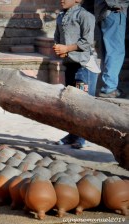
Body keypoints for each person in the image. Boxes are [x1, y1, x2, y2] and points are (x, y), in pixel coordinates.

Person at [53, 0, 101, 149]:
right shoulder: (61, 17)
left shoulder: (86, 16)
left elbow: (87, 42)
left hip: (84, 68)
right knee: (71, 102)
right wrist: (59, 49)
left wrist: (67, 48)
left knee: (82, 102)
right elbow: (57, 37)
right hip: (70, 66)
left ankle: (81, 138)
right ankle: (72, 134)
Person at [94, 0, 129, 98]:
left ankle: (108, 86)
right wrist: (115, 4)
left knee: (109, 51)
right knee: (115, 51)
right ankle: (109, 88)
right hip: (113, 11)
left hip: (106, 12)